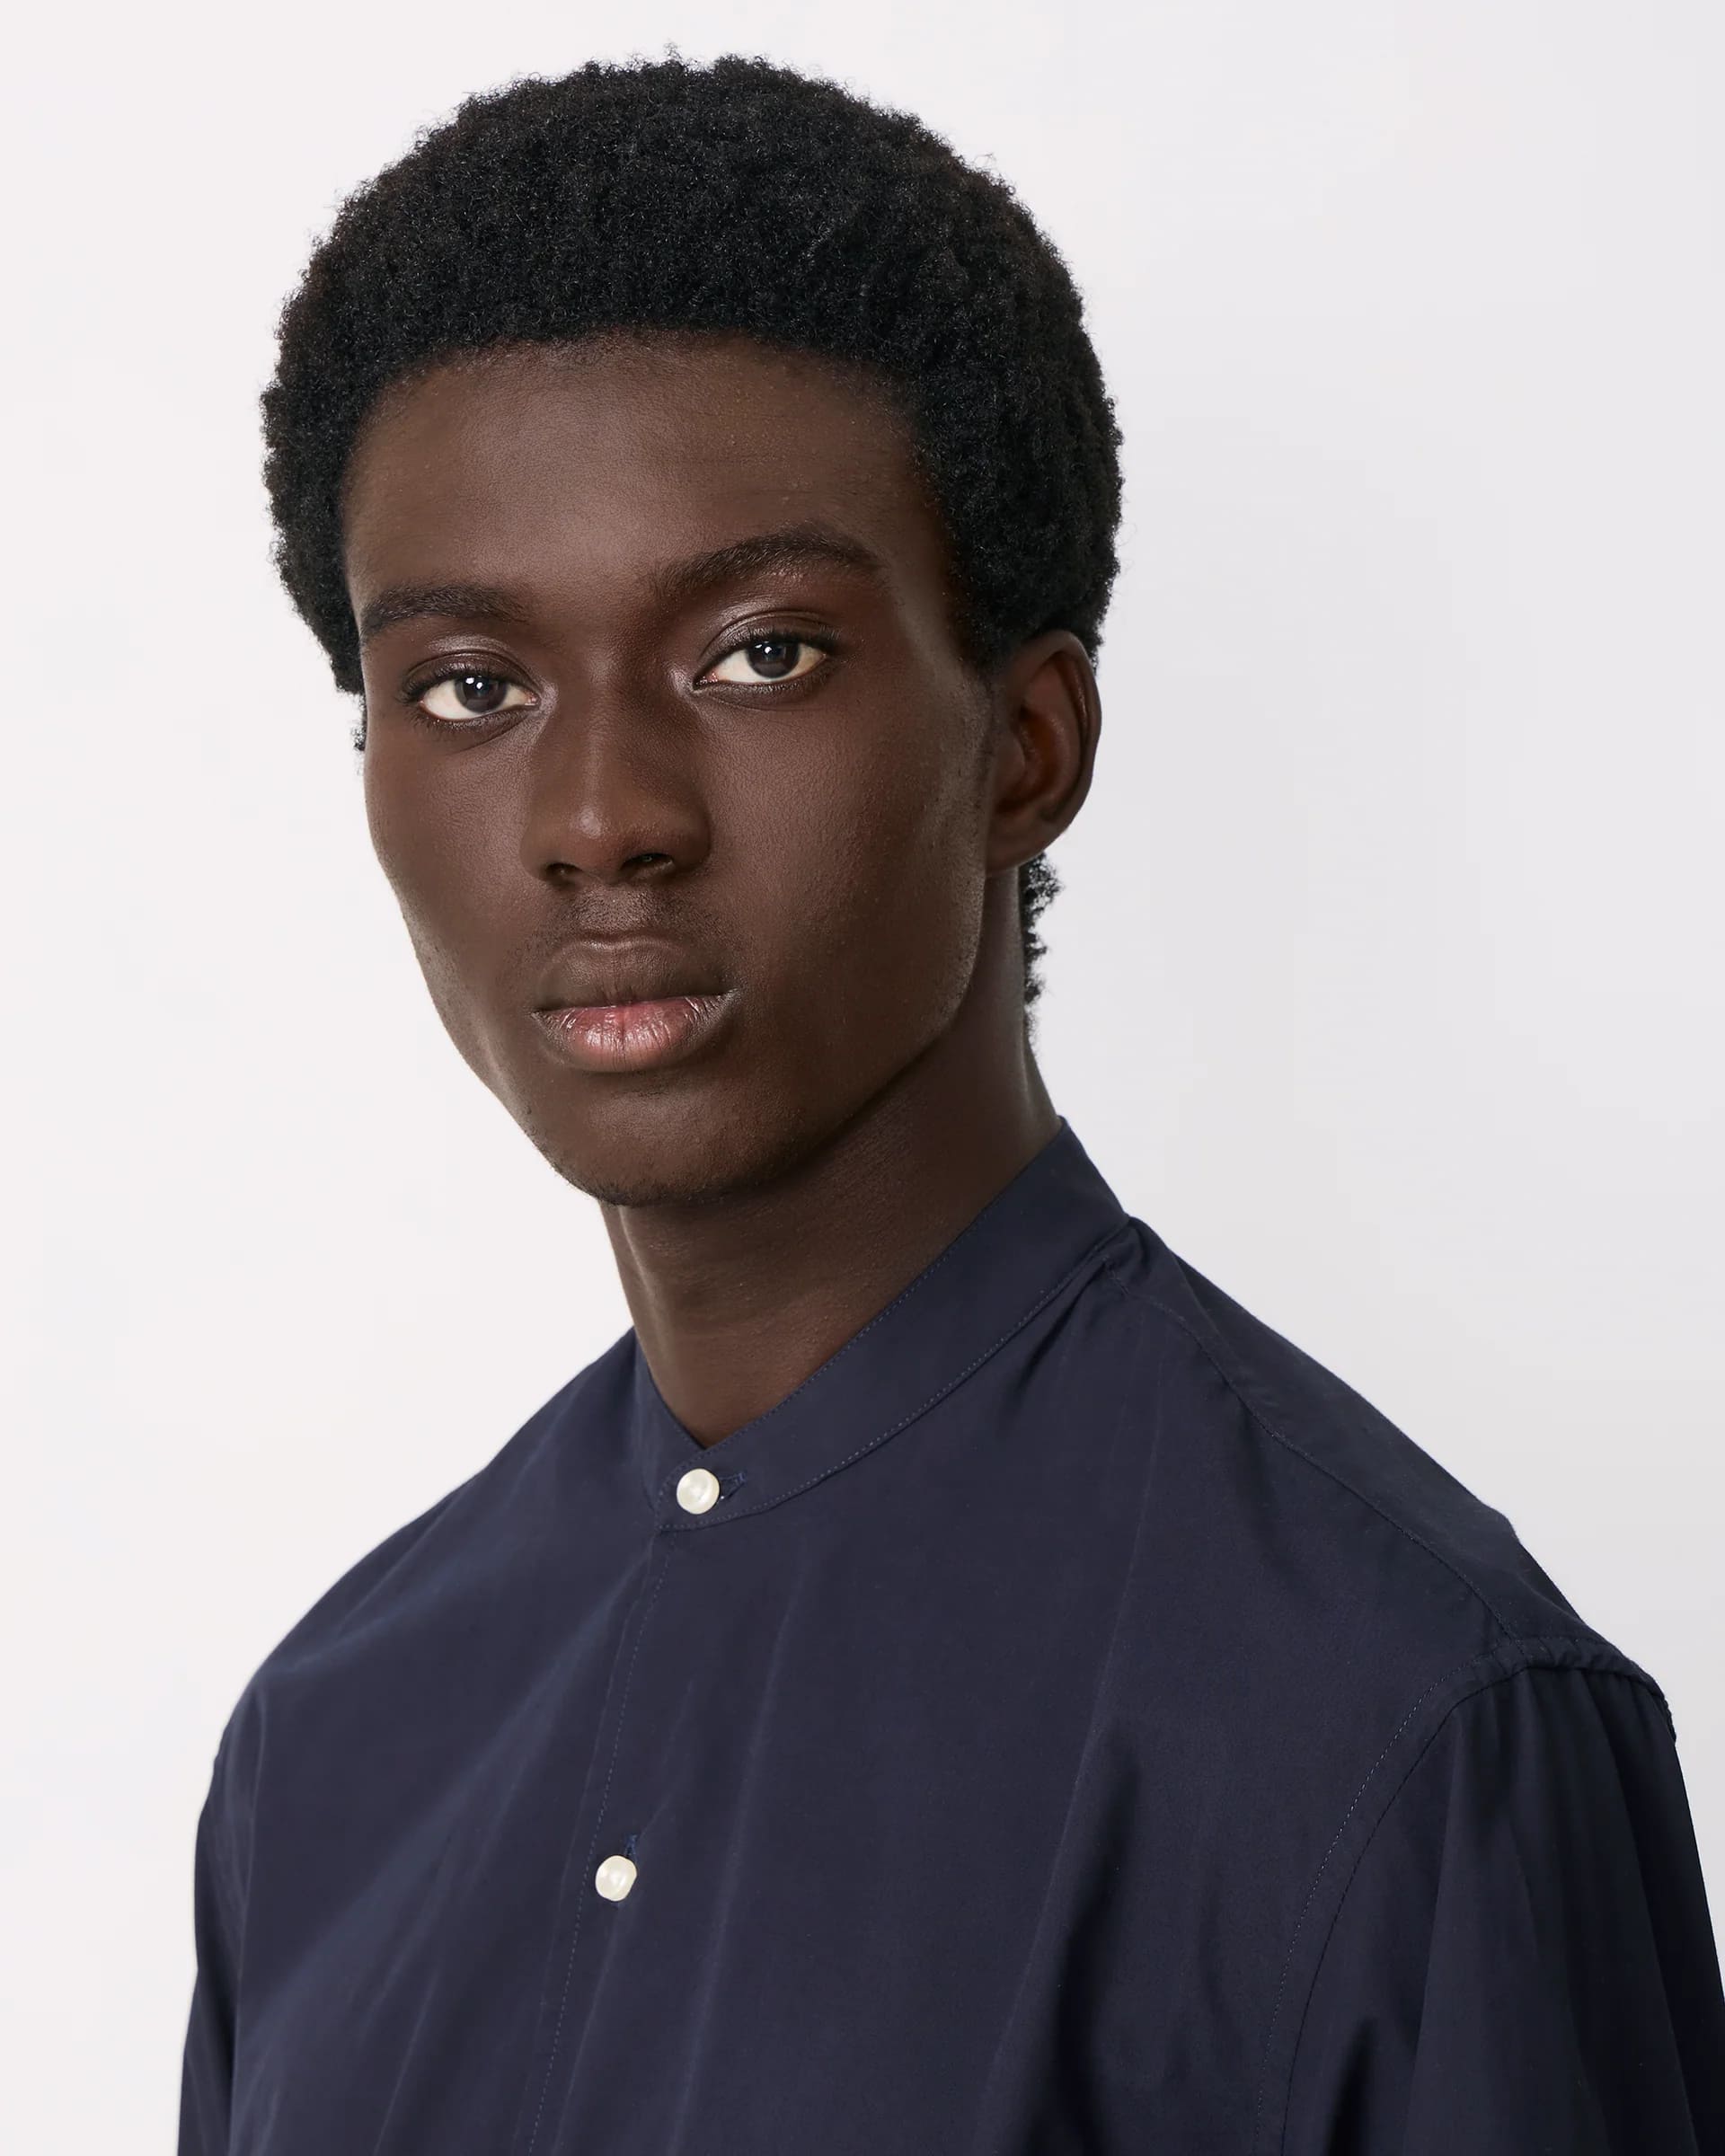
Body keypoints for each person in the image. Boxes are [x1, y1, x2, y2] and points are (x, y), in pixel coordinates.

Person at [178, 52, 1725, 2156]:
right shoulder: (331, 1747)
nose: (601, 817)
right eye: (472, 687)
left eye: (759, 655)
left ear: (1027, 745)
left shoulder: (1405, 1724)